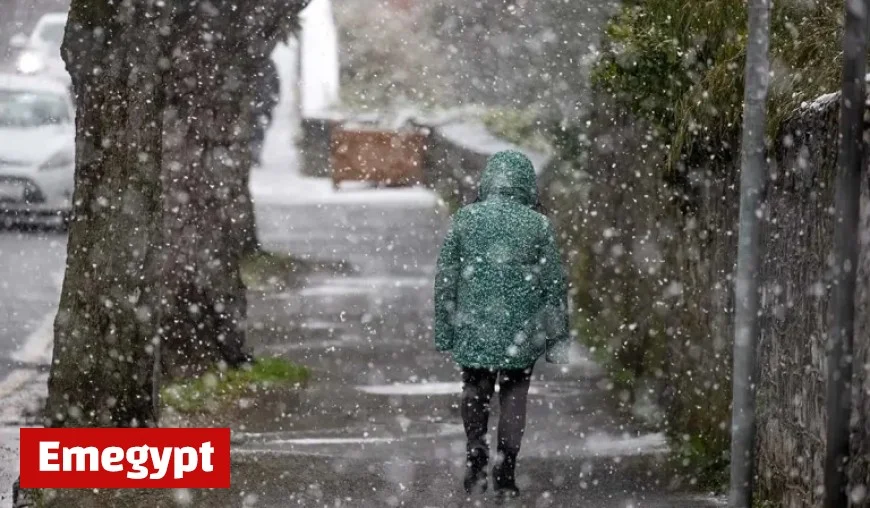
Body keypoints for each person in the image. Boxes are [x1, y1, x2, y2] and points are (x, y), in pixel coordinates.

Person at [434, 150, 570, 500]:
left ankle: (476, 453)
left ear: (488, 181)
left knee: (475, 390)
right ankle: (506, 468)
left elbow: (446, 279)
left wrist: (445, 328)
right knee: (514, 395)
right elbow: (553, 285)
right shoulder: (538, 225)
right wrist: (557, 339)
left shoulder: (465, 220)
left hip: (474, 327)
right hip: (521, 332)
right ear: (527, 185)